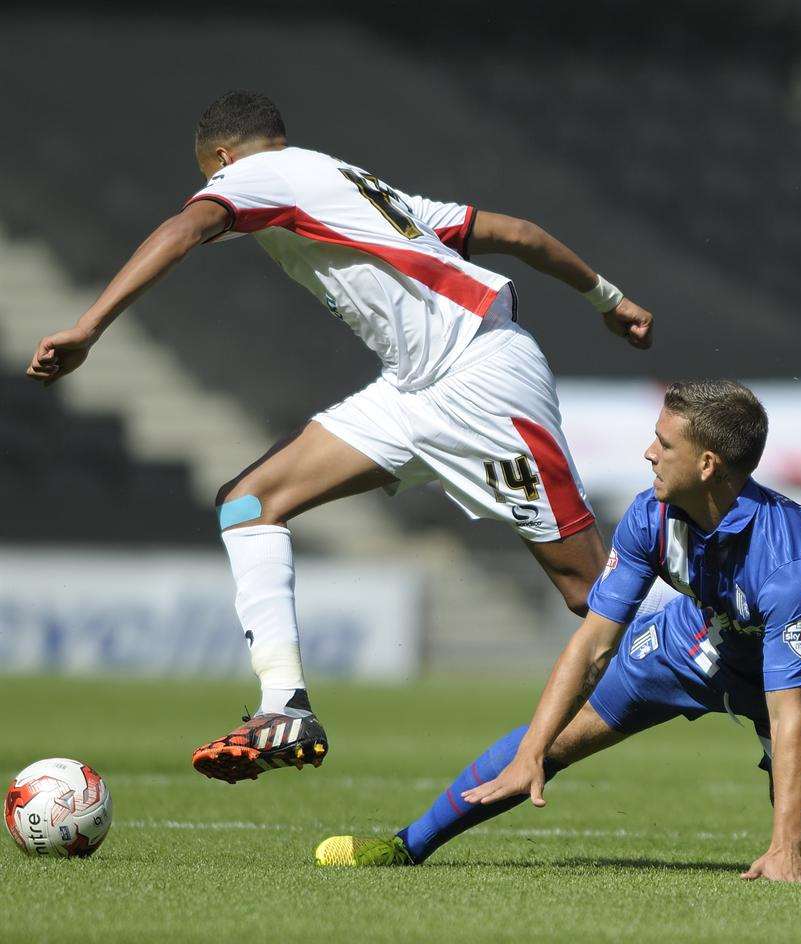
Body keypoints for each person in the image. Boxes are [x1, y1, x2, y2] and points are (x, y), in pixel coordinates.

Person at [25, 90, 654, 785]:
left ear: (224, 159)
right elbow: (523, 234)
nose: (216, 191)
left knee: (588, 587)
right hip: (413, 391)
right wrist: (609, 299)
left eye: (213, 177)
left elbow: (184, 230)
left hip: (483, 379)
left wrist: (89, 326)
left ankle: (739, 645)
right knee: (248, 502)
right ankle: (283, 707)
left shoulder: (255, 175)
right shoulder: (361, 190)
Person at [315, 382, 801, 881]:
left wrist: (784, 847)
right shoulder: (651, 514)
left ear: (707, 464)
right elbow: (594, 642)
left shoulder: (788, 562)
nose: (649, 452)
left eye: (664, 444)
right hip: (690, 645)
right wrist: (533, 750)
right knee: (548, 741)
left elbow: (790, 709)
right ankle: (404, 847)